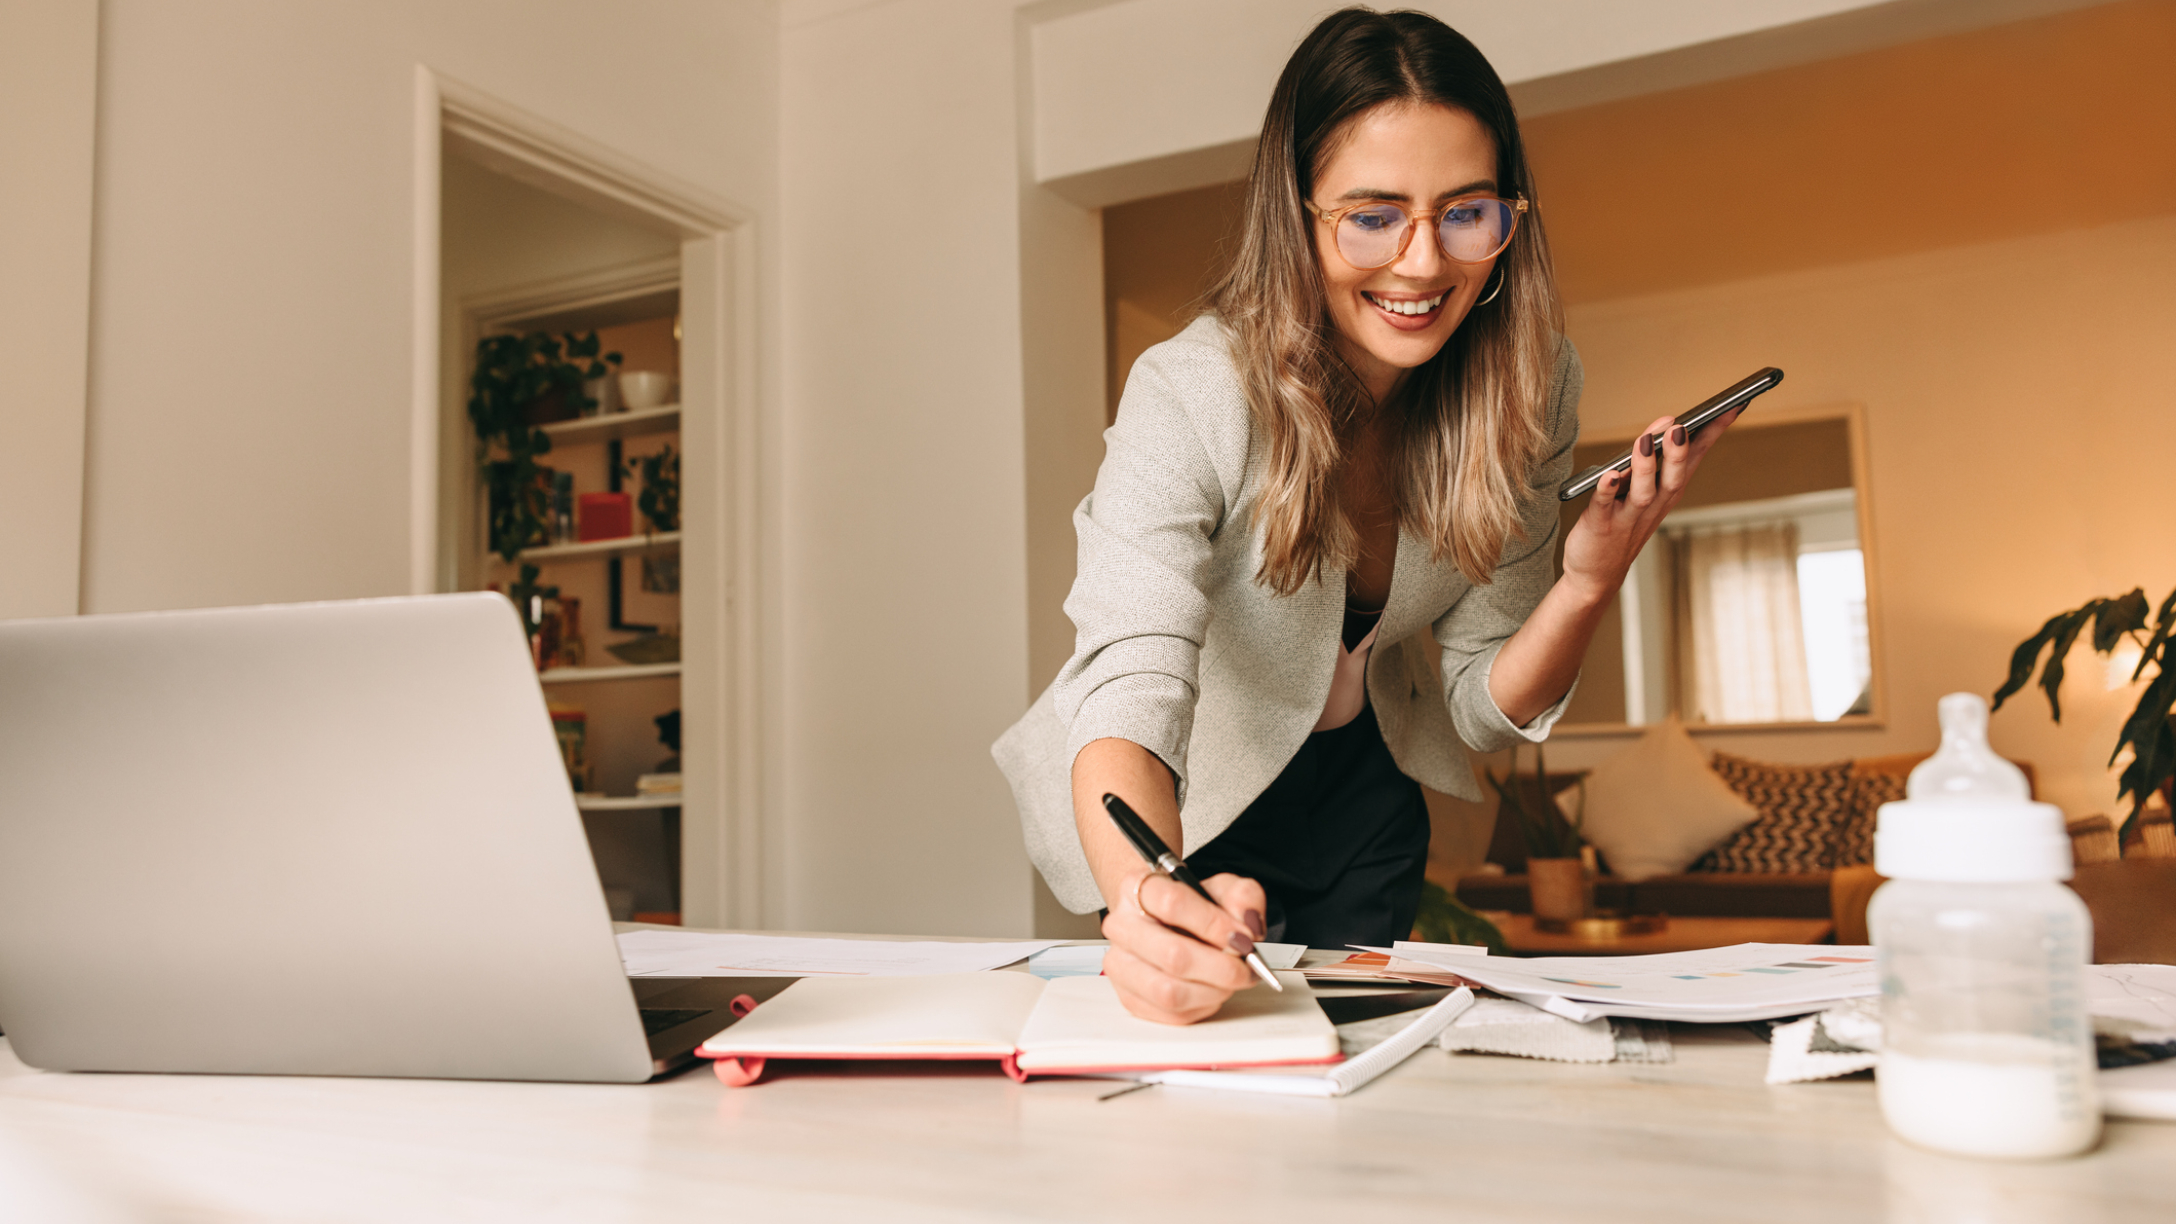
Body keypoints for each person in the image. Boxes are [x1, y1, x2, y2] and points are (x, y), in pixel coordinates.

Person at [993, 7, 1742, 1023]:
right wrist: (1147, 896)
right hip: (1187, 792)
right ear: (1296, 216)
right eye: (1372, 215)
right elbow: (1130, 679)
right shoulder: (1190, 389)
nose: (1424, 264)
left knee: (1363, 1071)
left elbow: (1479, 703)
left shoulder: (1528, 386)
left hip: (1367, 789)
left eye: (1466, 211)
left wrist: (1585, 582)